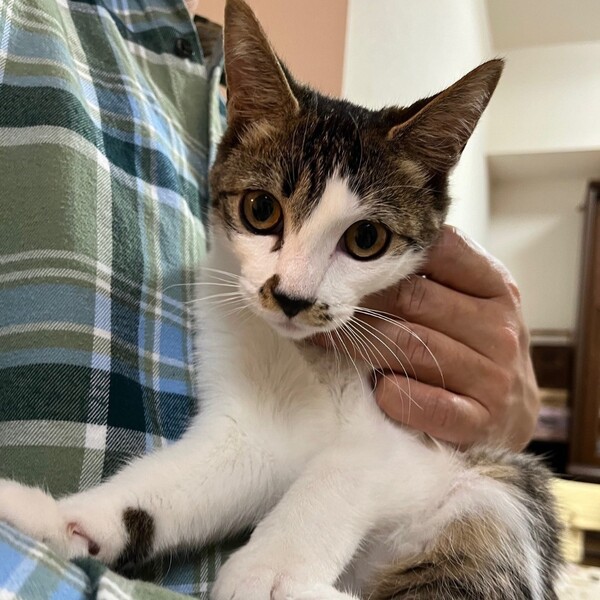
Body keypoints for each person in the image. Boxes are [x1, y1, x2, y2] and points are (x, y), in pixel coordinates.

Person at [0, 0, 539, 598]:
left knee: (495, 497)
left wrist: (293, 553)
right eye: (263, 212)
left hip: (449, 528)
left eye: (364, 239)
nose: (293, 290)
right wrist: (79, 526)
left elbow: (383, 454)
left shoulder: (391, 325)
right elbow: (246, 446)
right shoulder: (219, 286)